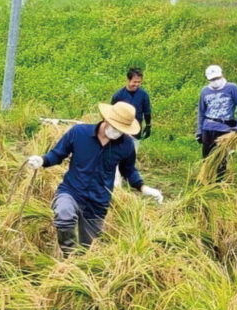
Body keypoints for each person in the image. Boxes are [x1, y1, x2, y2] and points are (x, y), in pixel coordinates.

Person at [26, 102, 164, 255]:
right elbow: (58, 154)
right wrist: (42, 160)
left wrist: (143, 188)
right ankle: (68, 257)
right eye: (116, 127)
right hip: (72, 191)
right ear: (106, 119)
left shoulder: (126, 145)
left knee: (87, 250)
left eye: (122, 130)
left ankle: (77, 265)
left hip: (98, 202)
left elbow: (129, 170)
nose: (117, 132)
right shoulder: (79, 133)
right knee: (64, 215)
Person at [197, 64, 237, 181]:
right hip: (208, 127)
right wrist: (199, 131)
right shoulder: (205, 91)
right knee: (207, 157)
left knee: (221, 157)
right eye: (212, 79)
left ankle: (219, 181)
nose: (215, 81)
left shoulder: (232, 88)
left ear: (222, 75)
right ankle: (207, 180)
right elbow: (201, 112)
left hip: (224, 129)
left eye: (217, 78)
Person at [111, 68, 152, 187]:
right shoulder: (119, 95)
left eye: (139, 82)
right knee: (117, 155)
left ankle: (128, 178)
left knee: (131, 156)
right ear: (128, 80)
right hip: (120, 130)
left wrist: (148, 125)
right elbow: (112, 113)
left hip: (136, 129)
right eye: (134, 82)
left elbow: (147, 111)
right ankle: (116, 180)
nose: (137, 84)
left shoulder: (143, 95)